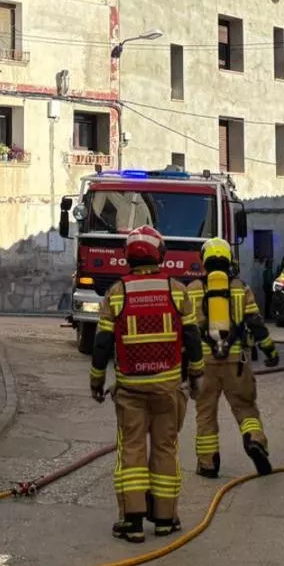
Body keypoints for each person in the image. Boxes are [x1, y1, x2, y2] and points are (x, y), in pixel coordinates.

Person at [89, 226, 204, 542]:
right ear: (160, 254)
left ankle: (133, 521)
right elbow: (193, 339)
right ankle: (165, 520)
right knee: (166, 448)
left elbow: (101, 343)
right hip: (168, 388)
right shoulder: (176, 290)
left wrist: (97, 381)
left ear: (129, 256)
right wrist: (196, 376)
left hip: (130, 390)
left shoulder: (117, 293)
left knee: (133, 450)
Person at [188, 237, 280, 478]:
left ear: (204, 260)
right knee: (245, 407)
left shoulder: (193, 289)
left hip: (204, 363)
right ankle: (254, 440)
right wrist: (270, 351)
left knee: (205, 413)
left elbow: (185, 330)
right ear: (229, 259)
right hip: (236, 361)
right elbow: (256, 323)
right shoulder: (241, 288)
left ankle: (208, 464)